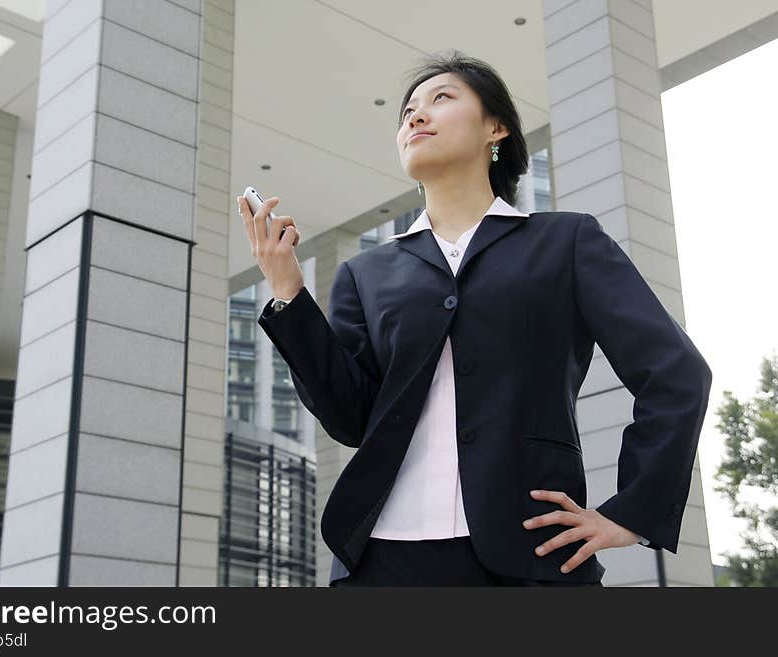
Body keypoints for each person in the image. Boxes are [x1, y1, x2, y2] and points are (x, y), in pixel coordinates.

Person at [237, 51, 712, 586]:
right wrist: (288, 292)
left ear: (497, 127)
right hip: (380, 562)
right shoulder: (366, 273)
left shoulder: (565, 242)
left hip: (531, 554)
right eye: (407, 112)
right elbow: (351, 420)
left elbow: (676, 373)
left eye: (440, 99)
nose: (416, 117)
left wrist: (632, 511)